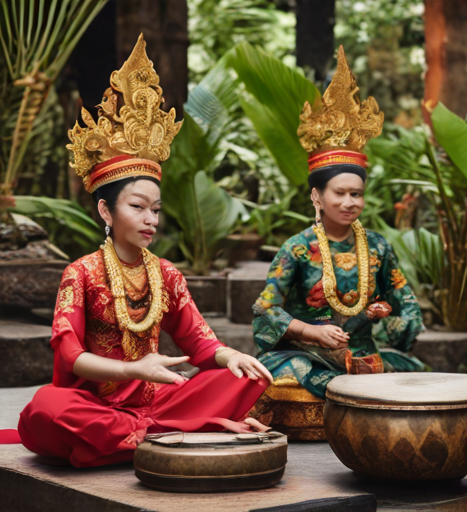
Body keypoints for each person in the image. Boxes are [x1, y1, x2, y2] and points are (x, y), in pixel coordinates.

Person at [2, 35, 272, 468]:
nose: (151, 219)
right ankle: (168, 434)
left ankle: (147, 434)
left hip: (161, 396)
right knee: (45, 409)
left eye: (157, 209)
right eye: (138, 207)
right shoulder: (82, 273)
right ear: (106, 209)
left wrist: (231, 355)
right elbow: (70, 357)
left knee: (242, 377)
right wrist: (134, 369)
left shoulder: (166, 273)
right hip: (96, 403)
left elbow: (199, 342)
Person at [252, 46, 424, 399]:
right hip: (305, 354)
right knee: (317, 379)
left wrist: (393, 318)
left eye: (356, 194)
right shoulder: (297, 248)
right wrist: (311, 333)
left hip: (362, 356)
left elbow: (405, 302)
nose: (349, 202)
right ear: (317, 197)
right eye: (340, 193)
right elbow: (264, 309)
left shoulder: (377, 246)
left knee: (417, 377)